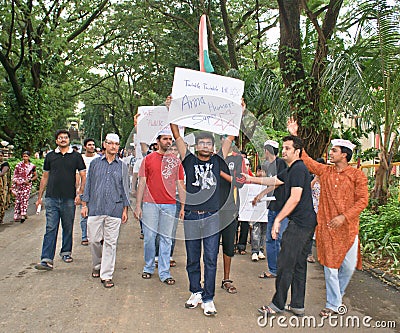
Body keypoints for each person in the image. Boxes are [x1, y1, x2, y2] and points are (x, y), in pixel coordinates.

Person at [287, 119, 368, 318]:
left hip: (348, 229)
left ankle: (336, 296)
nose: (330, 153)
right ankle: (333, 304)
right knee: (330, 267)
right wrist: (295, 134)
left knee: (348, 267)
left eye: (334, 151)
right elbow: (306, 160)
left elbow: (363, 201)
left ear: (344, 155)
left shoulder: (357, 176)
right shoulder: (325, 171)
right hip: (327, 227)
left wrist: (344, 217)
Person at [168, 96, 236, 316]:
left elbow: (229, 137)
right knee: (192, 257)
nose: (206, 146)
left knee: (210, 258)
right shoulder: (188, 159)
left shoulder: (218, 161)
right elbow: (177, 135)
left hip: (211, 217)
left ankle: (208, 297)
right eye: (202, 143)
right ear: (196, 146)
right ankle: (195, 291)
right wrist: (172, 111)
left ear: (213, 147)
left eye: (209, 143)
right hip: (191, 216)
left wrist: (239, 112)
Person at [243, 135, 317, 317]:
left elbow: (295, 198)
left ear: (297, 151)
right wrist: (250, 179)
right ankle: (297, 305)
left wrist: (277, 220)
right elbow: (274, 181)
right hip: (305, 222)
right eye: (283, 147)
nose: (283, 151)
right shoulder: (292, 169)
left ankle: (277, 304)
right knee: (299, 263)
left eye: (287, 148)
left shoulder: (299, 169)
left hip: (300, 224)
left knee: (285, 264)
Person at [134, 130, 185, 286]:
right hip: (150, 204)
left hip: (170, 205)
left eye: (170, 139)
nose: (168, 141)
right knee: (149, 237)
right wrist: (138, 205)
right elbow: (141, 182)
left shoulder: (176, 162)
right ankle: (149, 267)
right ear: (157, 142)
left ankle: (164, 272)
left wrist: (183, 206)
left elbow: (180, 184)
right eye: (165, 139)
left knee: (166, 238)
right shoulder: (148, 160)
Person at [81, 133, 129, 288]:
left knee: (110, 243)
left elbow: (125, 189)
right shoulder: (95, 163)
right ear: (104, 144)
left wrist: (125, 210)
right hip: (95, 207)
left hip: (115, 208)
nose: (114, 146)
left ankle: (106, 275)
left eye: (117, 144)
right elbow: (88, 184)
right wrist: (84, 204)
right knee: (94, 240)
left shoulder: (122, 166)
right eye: (111, 143)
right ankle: (97, 265)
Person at [34, 129, 86, 271]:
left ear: (69, 140)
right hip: (51, 197)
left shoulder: (76, 157)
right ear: (56, 141)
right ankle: (46, 259)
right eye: (60, 138)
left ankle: (66, 252)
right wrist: (40, 197)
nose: (63, 140)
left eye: (65, 137)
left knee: (68, 226)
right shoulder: (50, 156)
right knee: (51, 227)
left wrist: (80, 193)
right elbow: (45, 177)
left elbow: (83, 175)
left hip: (69, 198)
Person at [253, 140, 288, 278]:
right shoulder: (269, 165)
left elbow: (277, 182)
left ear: (267, 151)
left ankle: (282, 269)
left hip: (282, 207)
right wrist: (261, 194)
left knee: (278, 238)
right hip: (272, 206)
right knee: (270, 239)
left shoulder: (281, 164)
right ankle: (273, 269)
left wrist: (260, 191)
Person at [219, 134, 246, 294]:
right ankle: (206, 278)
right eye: (224, 138)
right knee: (209, 247)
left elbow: (239, 182)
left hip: (230, 209)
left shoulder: (237, 159)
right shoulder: (213, 157)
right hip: (213, 209)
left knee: (229, 246)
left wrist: (221, 174)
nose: (227, 141)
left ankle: (226, 279)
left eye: (229, 138)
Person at [79, 138, 99, 246]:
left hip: (95, 190)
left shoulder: (99, 159)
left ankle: (95, 236)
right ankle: (84, 236)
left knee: (96, 214)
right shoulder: (80, 158)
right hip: (83, 189)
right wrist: (77, 191)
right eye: (89, 145)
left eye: (93, 145)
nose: (92, 146)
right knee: (84, 214)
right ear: (85, 147)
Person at [307, 157, 326, 263]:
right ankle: (309, 254)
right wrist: (315, 179)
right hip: (312, 208)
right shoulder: (310, 177)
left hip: (323, 209)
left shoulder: (327, 178)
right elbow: (307, 189)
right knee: (310, 231)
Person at [12, 151, 38, 223]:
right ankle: (17, 215)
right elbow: (15, 175)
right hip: (18, 184)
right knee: (18, 199)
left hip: (27, 185)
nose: (25, 158)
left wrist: (29, 180)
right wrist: (14, 185)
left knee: (25, 199)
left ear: (29, 157)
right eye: (24, 156)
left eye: (26, 156)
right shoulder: (18, 165)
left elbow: (36, 175)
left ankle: (23, 214)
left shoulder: (32, 166)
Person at [250, 166, 267, 261]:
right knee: (255, 231)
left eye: (263, 171)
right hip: (255, 211)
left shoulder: (269, 184)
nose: (260, 173)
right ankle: (254, 251)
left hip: (265, 211)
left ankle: (261, 250)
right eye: (259, 170)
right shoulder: (253, 183)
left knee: (264, 232)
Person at [0, 151, 10, 224]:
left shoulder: (5, 164)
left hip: (3, 187)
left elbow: (2, 173)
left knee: (2, 202)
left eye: (0, 155)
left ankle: (1, 218)